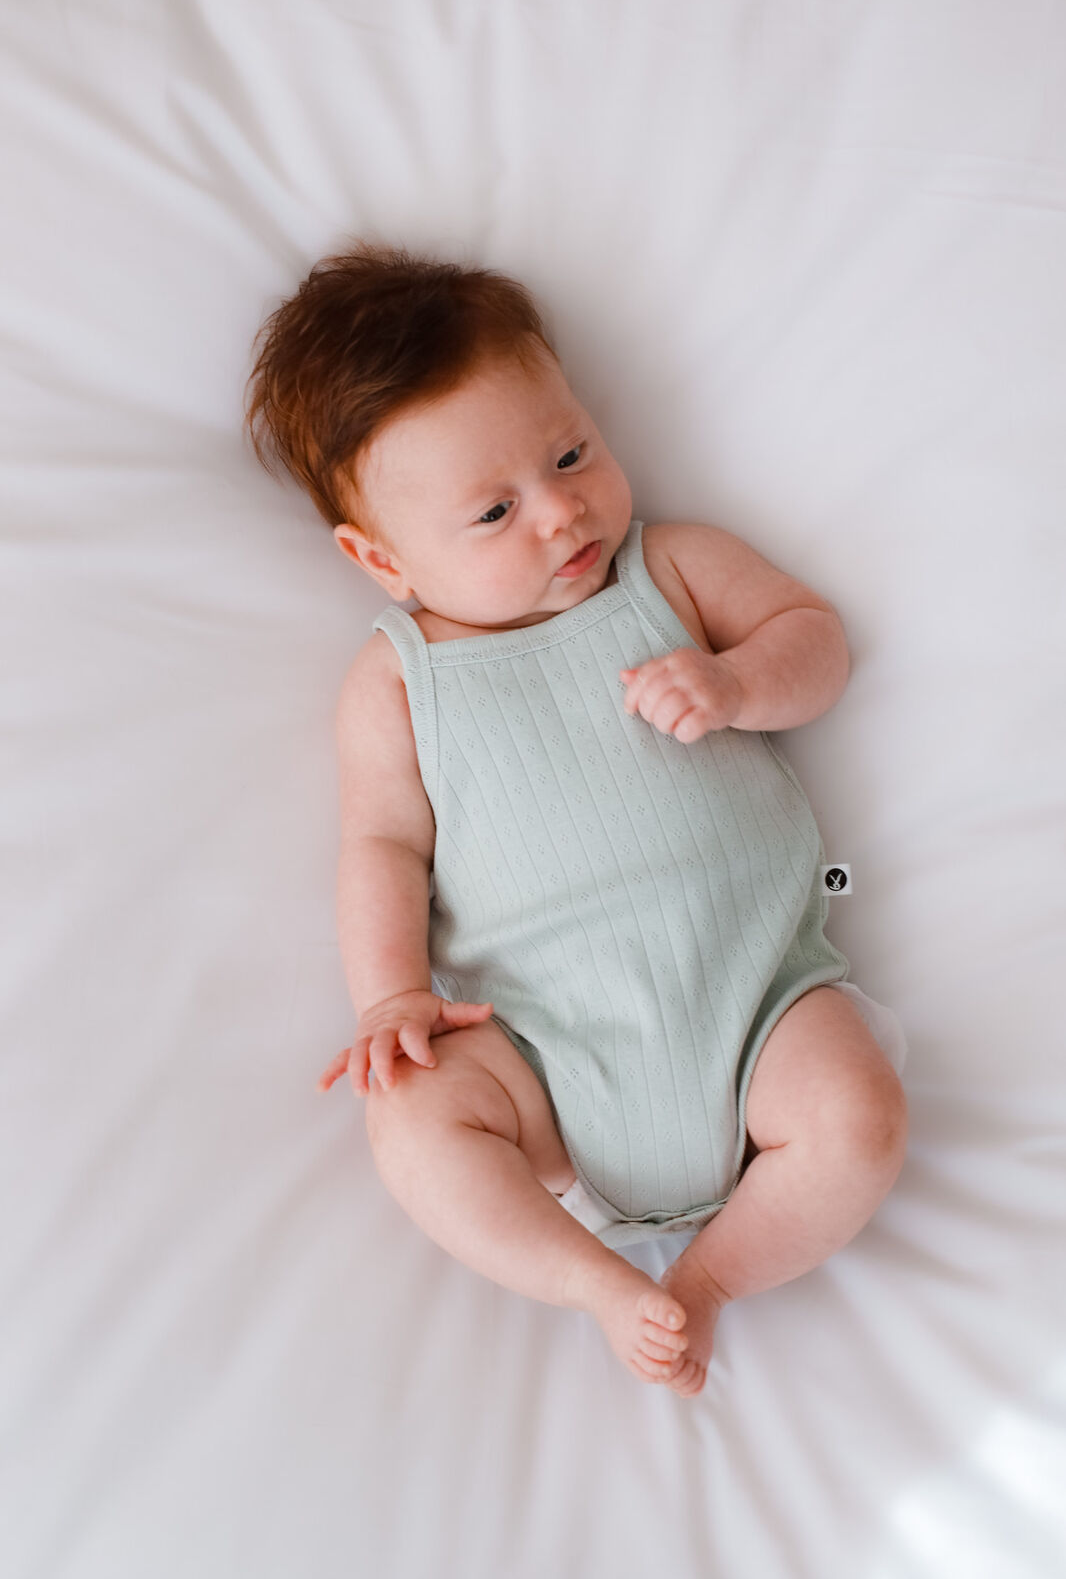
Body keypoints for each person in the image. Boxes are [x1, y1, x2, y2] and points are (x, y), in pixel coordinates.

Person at [245, 244, 908, 1398]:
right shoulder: (401, 684)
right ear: (380, 559)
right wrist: (391, 996)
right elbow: (384, 848)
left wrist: (742, 683)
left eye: (571, 454)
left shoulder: (673, 574)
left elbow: (817, 637)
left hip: (758, 1007)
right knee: (410, 1114)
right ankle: (597, 1281)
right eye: (495, 509)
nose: (560, 514)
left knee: (858, 1117)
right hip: (539, 1064)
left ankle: (700, 1282)